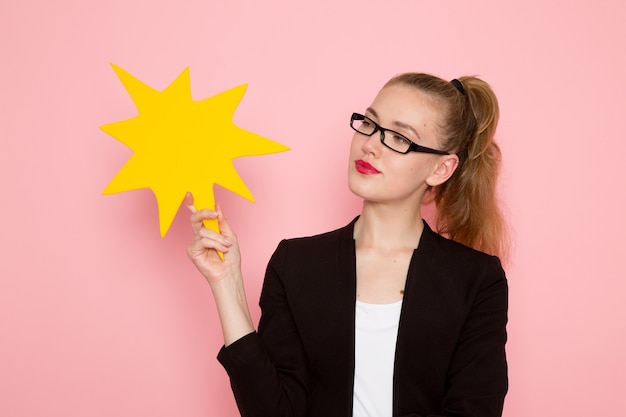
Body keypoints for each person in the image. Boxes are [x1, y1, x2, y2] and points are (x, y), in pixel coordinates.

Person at [186, 72, 509, 417]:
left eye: (399, 137)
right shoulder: (295, 264)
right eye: (369, 123)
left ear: (441, 168)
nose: (370, 144)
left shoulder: (476, 280)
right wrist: (226, 282)